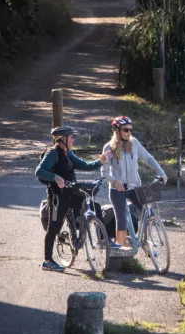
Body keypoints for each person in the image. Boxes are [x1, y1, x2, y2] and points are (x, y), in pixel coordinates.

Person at [35, 125, 107, 272]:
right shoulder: (52, 154)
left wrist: (100, 162)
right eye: (72, 137)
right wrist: (55, 177)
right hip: (57, 197)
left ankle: (103, 240)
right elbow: (39, 171)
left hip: (71, 193)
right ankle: (47, 261)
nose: (74, 139)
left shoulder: (68, 153)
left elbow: (84, 165)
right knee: (53, 229)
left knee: (95, 207)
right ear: (63, 139)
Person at [102, 116, 167, 249]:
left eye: (131, 129)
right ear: (117, 131)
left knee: (149, 212)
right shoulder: (109, 147)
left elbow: (148, 159)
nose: (129, 132)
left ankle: (144, 241)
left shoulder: (135, 143)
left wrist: (161, 173)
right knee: (122, 220)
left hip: (134, 187)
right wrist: (114, 181)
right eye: (126, 130)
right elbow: (104, 172)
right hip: (117, 190)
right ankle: (122, 251)